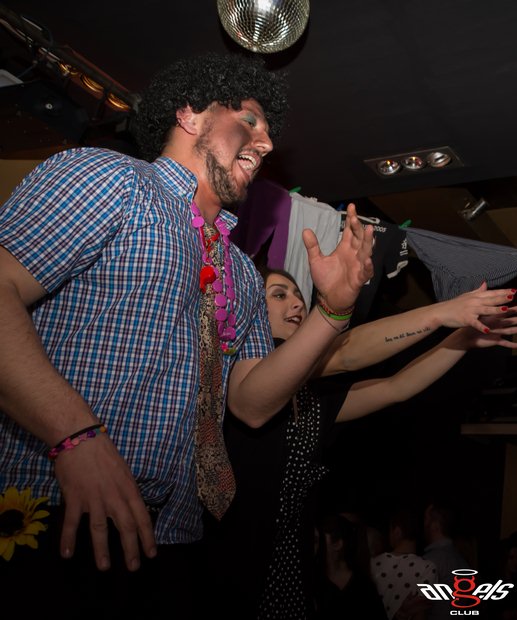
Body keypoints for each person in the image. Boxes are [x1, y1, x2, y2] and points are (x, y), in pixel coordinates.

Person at [0, 52, 375, 616]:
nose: (265, 143)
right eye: (249, 119)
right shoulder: (110, 179)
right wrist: (73, 435)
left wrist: (333, 313)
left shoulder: (241, 270)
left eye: (268, 133)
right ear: (190, 114)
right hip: (47, 508)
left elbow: (250, 404)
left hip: (170, 535)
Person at [200, 268, 517, 618]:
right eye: (280, 294)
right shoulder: (236, 374)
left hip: (292, 579)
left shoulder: (310, 400)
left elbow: (397, 387)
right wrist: (441, 313)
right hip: (237, 572)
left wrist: (462, 340)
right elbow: (346, 353)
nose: (297, 303)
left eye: (298, 295)